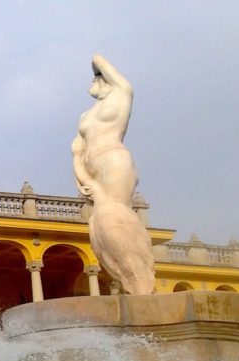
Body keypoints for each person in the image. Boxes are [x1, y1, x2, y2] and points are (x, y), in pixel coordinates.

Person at [71, 53, 154, 295]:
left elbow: (96, 58)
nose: (90, 86)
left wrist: (98, 71)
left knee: (114, 214)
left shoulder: (121, 93)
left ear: (102, 80)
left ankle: (142, 282)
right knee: (97, 225)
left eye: (93, 81)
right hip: (92, 170)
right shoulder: (86, 116)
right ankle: (128, 281)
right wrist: (82, 173)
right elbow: (78, 150)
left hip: (114, 160)